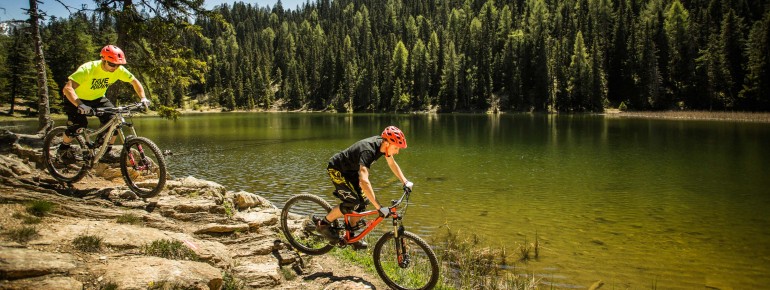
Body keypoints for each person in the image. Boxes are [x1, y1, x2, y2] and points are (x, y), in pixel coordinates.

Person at [315, 126, 414, 249]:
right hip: (337, 169)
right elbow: (364, 182)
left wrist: (405, 181)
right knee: (352, 202)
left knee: (363, 203)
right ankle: (323, 224)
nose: (397, 152)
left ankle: (350, 237)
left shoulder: (383, 146)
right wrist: (379, 207)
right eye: (396, 148)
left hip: (351, 172)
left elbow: (392, 163)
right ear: (387, 143)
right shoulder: (368, 151)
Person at [58, 45, 150, 163]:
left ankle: (106, 152)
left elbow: (135, 82)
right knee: (78, 126)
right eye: (112, 64)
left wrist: (143, 98)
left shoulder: (118, 70)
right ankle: (63, 148)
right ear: (103, 59)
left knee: (115, 120)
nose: (115, 68)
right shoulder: (88, 68)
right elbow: (67, 89)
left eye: (118, 65)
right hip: (76, 99)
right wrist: (80, 104)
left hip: (98, 98)